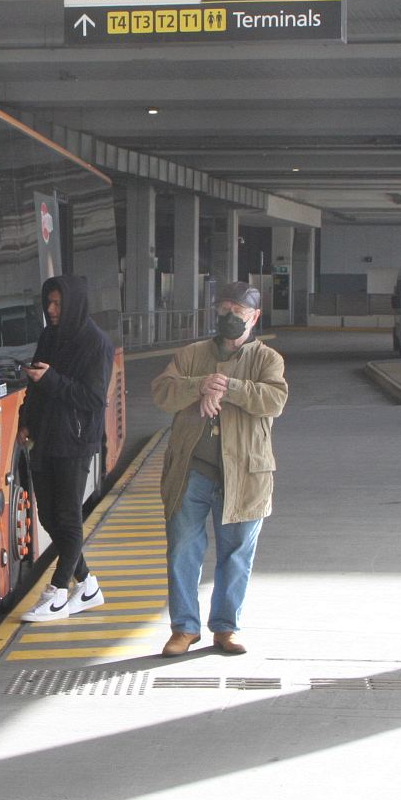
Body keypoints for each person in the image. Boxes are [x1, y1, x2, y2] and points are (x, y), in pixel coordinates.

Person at [151, 281, 288, 657]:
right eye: (224, 308)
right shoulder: (192, 354)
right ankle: (184, 628)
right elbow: (163, 392)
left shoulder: (267, 360)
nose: (229, 316)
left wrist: (226, 387)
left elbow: (274, 399)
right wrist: (200, 385)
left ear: (254, 317)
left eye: (238, 311)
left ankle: (226, 628)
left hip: (244, 473)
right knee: (182, 548)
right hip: (193, 470)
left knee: (236, 552)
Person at [17, 274, 115, 622]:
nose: (51, 309)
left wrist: (52, 380)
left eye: (58, 303)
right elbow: (36, 381)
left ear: (73, 304)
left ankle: (57, 593)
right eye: (49, 303)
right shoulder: (49, 336)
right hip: (44, 436)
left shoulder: (97, 344)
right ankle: (87, 586)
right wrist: (25, 419)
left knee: (68, 518)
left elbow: (93, 398)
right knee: (47, 516)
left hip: (74, 441)